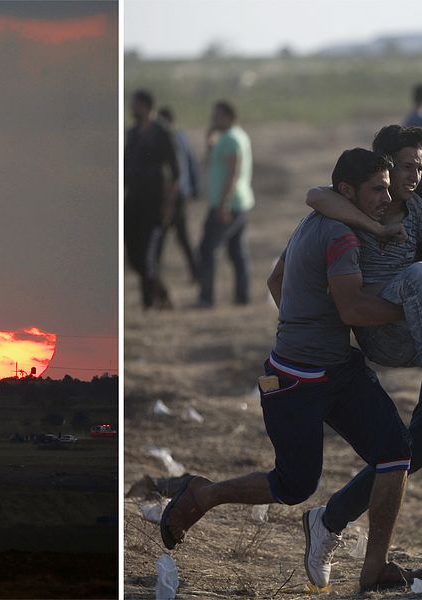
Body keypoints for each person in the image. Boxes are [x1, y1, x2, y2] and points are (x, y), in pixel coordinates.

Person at [160, 148, 412, 592]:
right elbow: (353, 308)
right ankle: (204, 494)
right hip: (295, 379)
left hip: (340, 370)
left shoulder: (322, 222)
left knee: (395, 454)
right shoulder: (340, 235)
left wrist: (306, 322)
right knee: (295, 485)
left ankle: (374, 571)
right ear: (347, 191)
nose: (385, 198)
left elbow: (275, 280)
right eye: (378, 190)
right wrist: (410, 309)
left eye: (389, 190)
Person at [301, 125, 422, 589]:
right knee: (416, 274)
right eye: (407, 165)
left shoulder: (414, 207)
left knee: (410, 451)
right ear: (386, 164)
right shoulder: (357, 203)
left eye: (419, 166)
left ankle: (329, 520)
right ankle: (331, 522)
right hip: (387, 331)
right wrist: (374, 228)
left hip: (411, 321)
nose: (414, 175)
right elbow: (316, 195)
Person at [194, 101, 254, 307]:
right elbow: (214, 160)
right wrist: (209, 140)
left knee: (207, 249)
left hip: (227, 204)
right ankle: (242, 296)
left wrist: (223, 204)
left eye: (217, 115)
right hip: (239, 202)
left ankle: (206, 298)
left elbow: (232, 172)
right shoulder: (236, 135)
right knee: (237, 251)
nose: (213, 119)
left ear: (229, 116)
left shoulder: (230, 139)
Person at [124, 90, 179, 309]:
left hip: (155, 205)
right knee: (133, 256)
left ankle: (149, 303)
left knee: (150, 259)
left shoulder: (161, 132)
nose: (131, 109)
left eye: (135, 105)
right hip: (133, 203)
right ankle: (161, 292)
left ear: (146, 107)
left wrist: (168, 205)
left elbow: (175, 172)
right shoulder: (132, 133)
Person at [157, 106, 199, 282]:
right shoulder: (181, 137)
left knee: (160, 239)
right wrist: (194, 188)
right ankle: (195, 273)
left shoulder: (165, 139)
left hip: (172, 196)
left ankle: (154, 278)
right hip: (181, 194)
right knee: (182, 239)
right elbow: (192, 163)